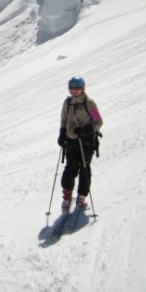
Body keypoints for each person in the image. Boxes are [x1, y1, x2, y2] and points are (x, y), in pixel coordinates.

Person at [57, 76, 103, 210]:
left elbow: (98, 121)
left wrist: (85, 131)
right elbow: (64, 120)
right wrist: (62, 134)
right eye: (72, 88)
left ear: (82, 89)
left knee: (84, 168)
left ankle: (81, 195)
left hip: (87, 141)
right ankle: (67, 195)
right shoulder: (67, 103)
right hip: (71, 140)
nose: (74, 91)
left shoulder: (89, 103)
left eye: (77, 88)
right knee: (70, 168)